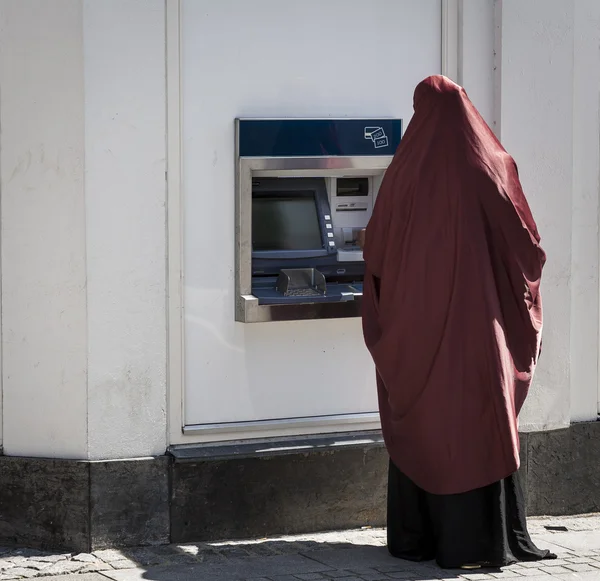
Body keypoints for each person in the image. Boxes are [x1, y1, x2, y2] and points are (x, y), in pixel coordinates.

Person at [358, 75, 555, 570]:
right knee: (477, 417)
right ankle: (479, 541)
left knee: (427, 418)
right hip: (480, 331)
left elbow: (376, 251)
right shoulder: (490, 164)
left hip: (414, 326)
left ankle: (418, 537)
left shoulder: (403, 173)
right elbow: (525, 246)